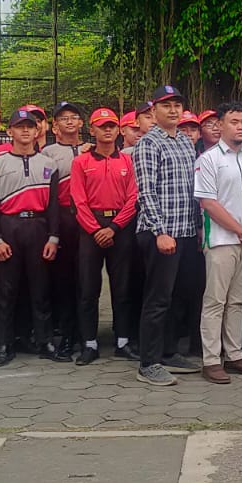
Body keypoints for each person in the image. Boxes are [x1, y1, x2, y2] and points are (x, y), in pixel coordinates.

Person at [132, 83, 203, 385]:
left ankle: (169, 351)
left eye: (177, 105)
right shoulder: (149, 143)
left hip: (186, 231)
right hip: (160, 232)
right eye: (166, 106)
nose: (173, 110)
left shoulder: (186, 142)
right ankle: (148, 362)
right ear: (153, 111)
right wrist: (160, 231)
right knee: (158, 298)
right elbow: (146, 192)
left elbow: (192, 189)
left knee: (177, 296)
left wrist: (199, 227)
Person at [193, 102, 242, 383]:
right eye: (234, 121)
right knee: (215, 301)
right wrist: (239, 229)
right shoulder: (209, 159)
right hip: (222, 240)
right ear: (220, 125)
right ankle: (211, 360)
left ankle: (235, 355)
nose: (240, 127)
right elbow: (208, 202)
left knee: (237, 301)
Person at [0, 107, 61, 366]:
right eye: (20, 126)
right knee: (6, 290)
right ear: (10, 130)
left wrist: (53, 237)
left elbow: (53, 206)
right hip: (9, 227)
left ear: (37, 130)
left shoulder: (49, 164)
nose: (25, 130)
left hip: (38, 228)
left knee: (41, 289)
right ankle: (5, 344)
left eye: (30, 126)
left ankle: (44, 340)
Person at [71, 108, 138, 364]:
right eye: (102, 126)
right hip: (91, 227)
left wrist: (114, 227)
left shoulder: (127, 162)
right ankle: (89, 343)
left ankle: (122, 341)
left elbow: (133, 198)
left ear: (118, 129)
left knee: (122, 287)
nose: (107, 130)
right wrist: (96, 229)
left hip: (119, 227)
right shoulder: (81, 162)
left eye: (111, 125)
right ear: (92, 130)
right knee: (89, 288)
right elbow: (78, 200)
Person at [42, 101, 87, 356]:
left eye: (74, 117)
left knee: (86, 280)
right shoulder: (48, 153)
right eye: (63, 118)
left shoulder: (91, 149)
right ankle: (67, 335)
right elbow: (47, 191)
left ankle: (87, 334)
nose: (69, 121)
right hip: (63, 218)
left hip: (88, 219)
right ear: (55, 125)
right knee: (65, 280)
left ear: (82, 123)